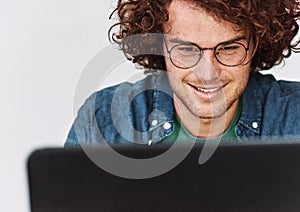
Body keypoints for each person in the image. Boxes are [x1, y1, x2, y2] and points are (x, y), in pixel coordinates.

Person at [65, 0, 300, 147]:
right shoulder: (103, 123)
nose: (208, 73)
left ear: (256, 43)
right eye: (187, 50)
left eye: (228, 48)